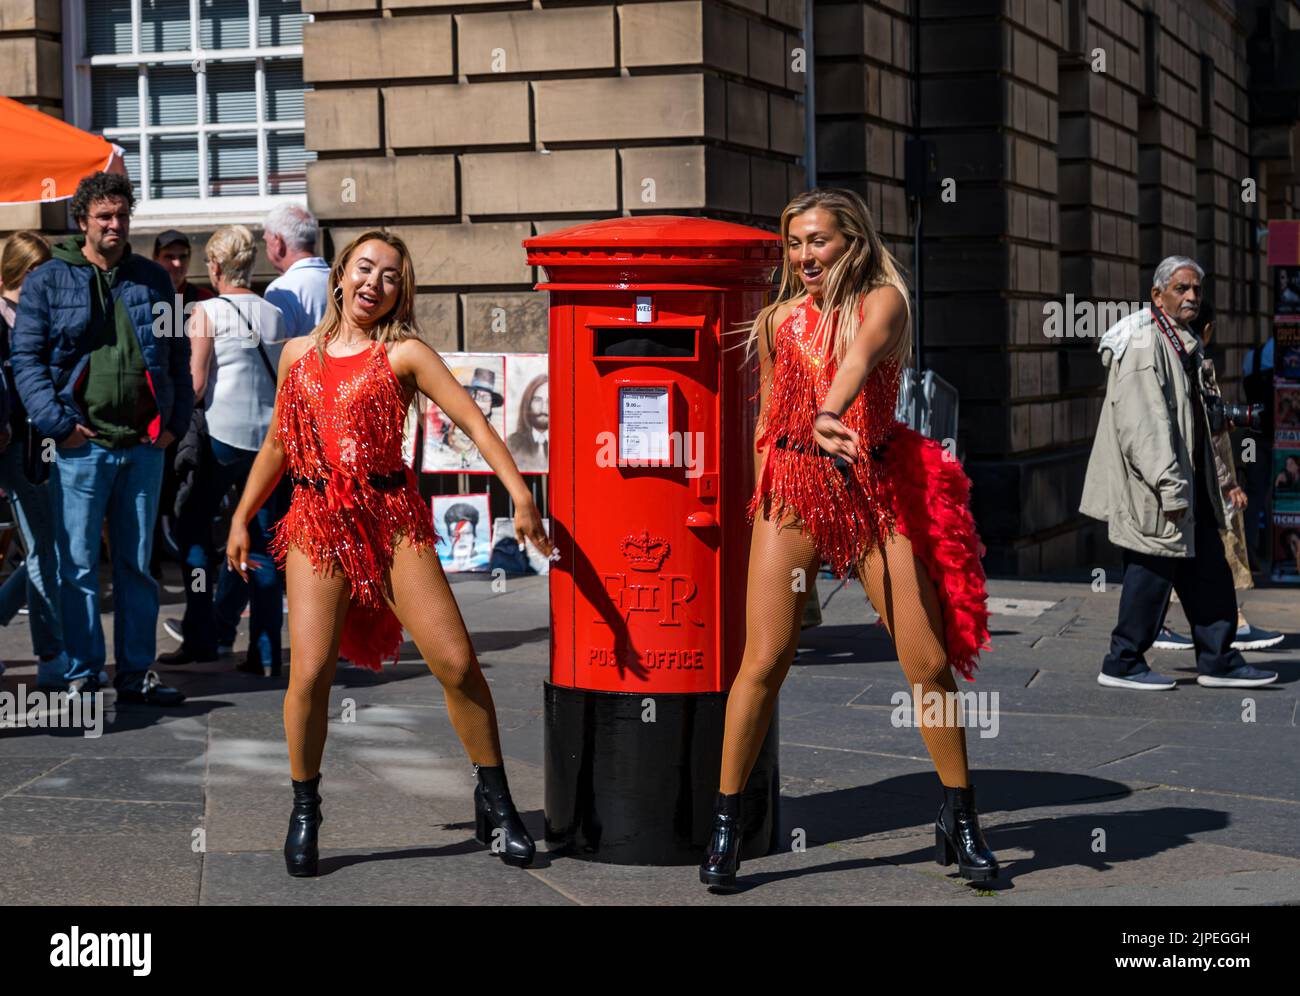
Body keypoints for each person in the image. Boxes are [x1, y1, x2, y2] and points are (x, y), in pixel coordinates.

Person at [225, 229, 552, 876]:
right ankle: (305, 808)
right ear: (341, 274)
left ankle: (496, 800)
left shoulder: (404, 353)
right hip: (315, 521)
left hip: (391, 517)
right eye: (366, 268)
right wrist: (241, 517)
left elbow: (475, 422)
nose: (375, 283)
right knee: (310, 675)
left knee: (457, 663)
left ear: (402, 291)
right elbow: (275, 448)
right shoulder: (295, 354)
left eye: (392, 276)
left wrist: (521, 495)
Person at [699, 188, 998, 892]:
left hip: (871, 487)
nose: (804, 255)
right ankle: (726, 823)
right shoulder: (775, 321)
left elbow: (858, 359)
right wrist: (758, 503)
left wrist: (832, 409)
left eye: (818, 241)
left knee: (925, 662)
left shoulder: (882, 303)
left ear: (852, 242)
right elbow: (770, 416)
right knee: (763, 661)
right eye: (795, 243)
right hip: (792, 492)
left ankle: (961, 815)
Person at [10, 172, 193, 704]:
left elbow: (176, 355)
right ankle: (82, 675)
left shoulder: (153, 280)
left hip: (143, 445)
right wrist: (59, 427)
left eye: (123, 216)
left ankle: (136, 673)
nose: (116, 226)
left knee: (138, 566)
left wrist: (175, 424)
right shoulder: (47, 280)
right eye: (105, 218)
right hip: (80, 447)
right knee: (80, 567)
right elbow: (27, 361)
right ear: (82, 222)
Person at [1080, 256, 1277, 691]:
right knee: (1149, 574)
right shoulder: (1145, 346)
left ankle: (1219, 658)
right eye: (1181, 289)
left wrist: (1222, 481)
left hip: (1190, 487)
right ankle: (1123, 661)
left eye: (1196, 291)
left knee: (1208, 570)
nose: (1190, 297)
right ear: (1157, 295)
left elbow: (1201, 422)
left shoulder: (1182, 341)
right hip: (1157, 491)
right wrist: (1171, 489)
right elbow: (1144, 429)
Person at [157, 225, 287, 675]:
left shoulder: (205, 311)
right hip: (271, 442)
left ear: (214, 267)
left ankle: (201, 638)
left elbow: (195, 385)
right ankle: (266, 652)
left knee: (194, 532)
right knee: (266, 544)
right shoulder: (274, 313)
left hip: (221, 438)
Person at [1151, 304, 1284, 652]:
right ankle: (1229, 625)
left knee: (1183, 555)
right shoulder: (1194, 364)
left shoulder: (1185, 359)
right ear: (1207, 328)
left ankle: (1174, 626)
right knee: (1209, 550)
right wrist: (1227, 481)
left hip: (1193, 474)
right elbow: (1201, 433)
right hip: (1201, 476)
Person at [0, 231, 68, 687]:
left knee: (49, 546)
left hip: (33, 447)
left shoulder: (35, 313)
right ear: (25, 272)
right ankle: (50, 655)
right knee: (46, 548)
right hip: (14, 447)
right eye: (42, 273)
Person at [150, 230, 214, 581]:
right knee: (154, 491)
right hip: (154, 412)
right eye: (169, 257)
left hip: (190, 411)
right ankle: (153, 564)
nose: (176, 264)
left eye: (182, 257)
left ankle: (192, 564)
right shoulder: (147, 296)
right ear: (157, 257)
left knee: (186, 488)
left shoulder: (202, 300)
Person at [261, 203, 329, 338]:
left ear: (277, 242)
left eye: (266, 242)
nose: (265, 248)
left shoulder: (280, 289)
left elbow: (276, 350)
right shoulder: (341, 278)